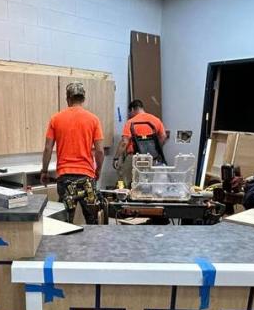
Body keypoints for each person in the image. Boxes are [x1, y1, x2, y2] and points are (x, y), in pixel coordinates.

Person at [40, 82, 106, 225]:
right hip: (87, 178)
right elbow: (100, 151)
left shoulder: (56, 119)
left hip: (65, 178)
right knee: (92, 221)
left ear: (68, 98)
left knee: (64, 223)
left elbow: (47, 148)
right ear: (83, 99)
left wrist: (44, 171)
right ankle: (94, 247)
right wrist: (98, 169)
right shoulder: (93, 119)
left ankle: (65, 248)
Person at [112, 99, 167, 186]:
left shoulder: (131, 122)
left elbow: (124, 142)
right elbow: (163, 137)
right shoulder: (156, 120)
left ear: (133, 109)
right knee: (148, 184)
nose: (130, 115)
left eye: (130, 113)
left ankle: (126, 198)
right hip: (152, 158)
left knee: (125, 182)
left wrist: (116, 158)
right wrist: (155, 149)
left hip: (134, 158)